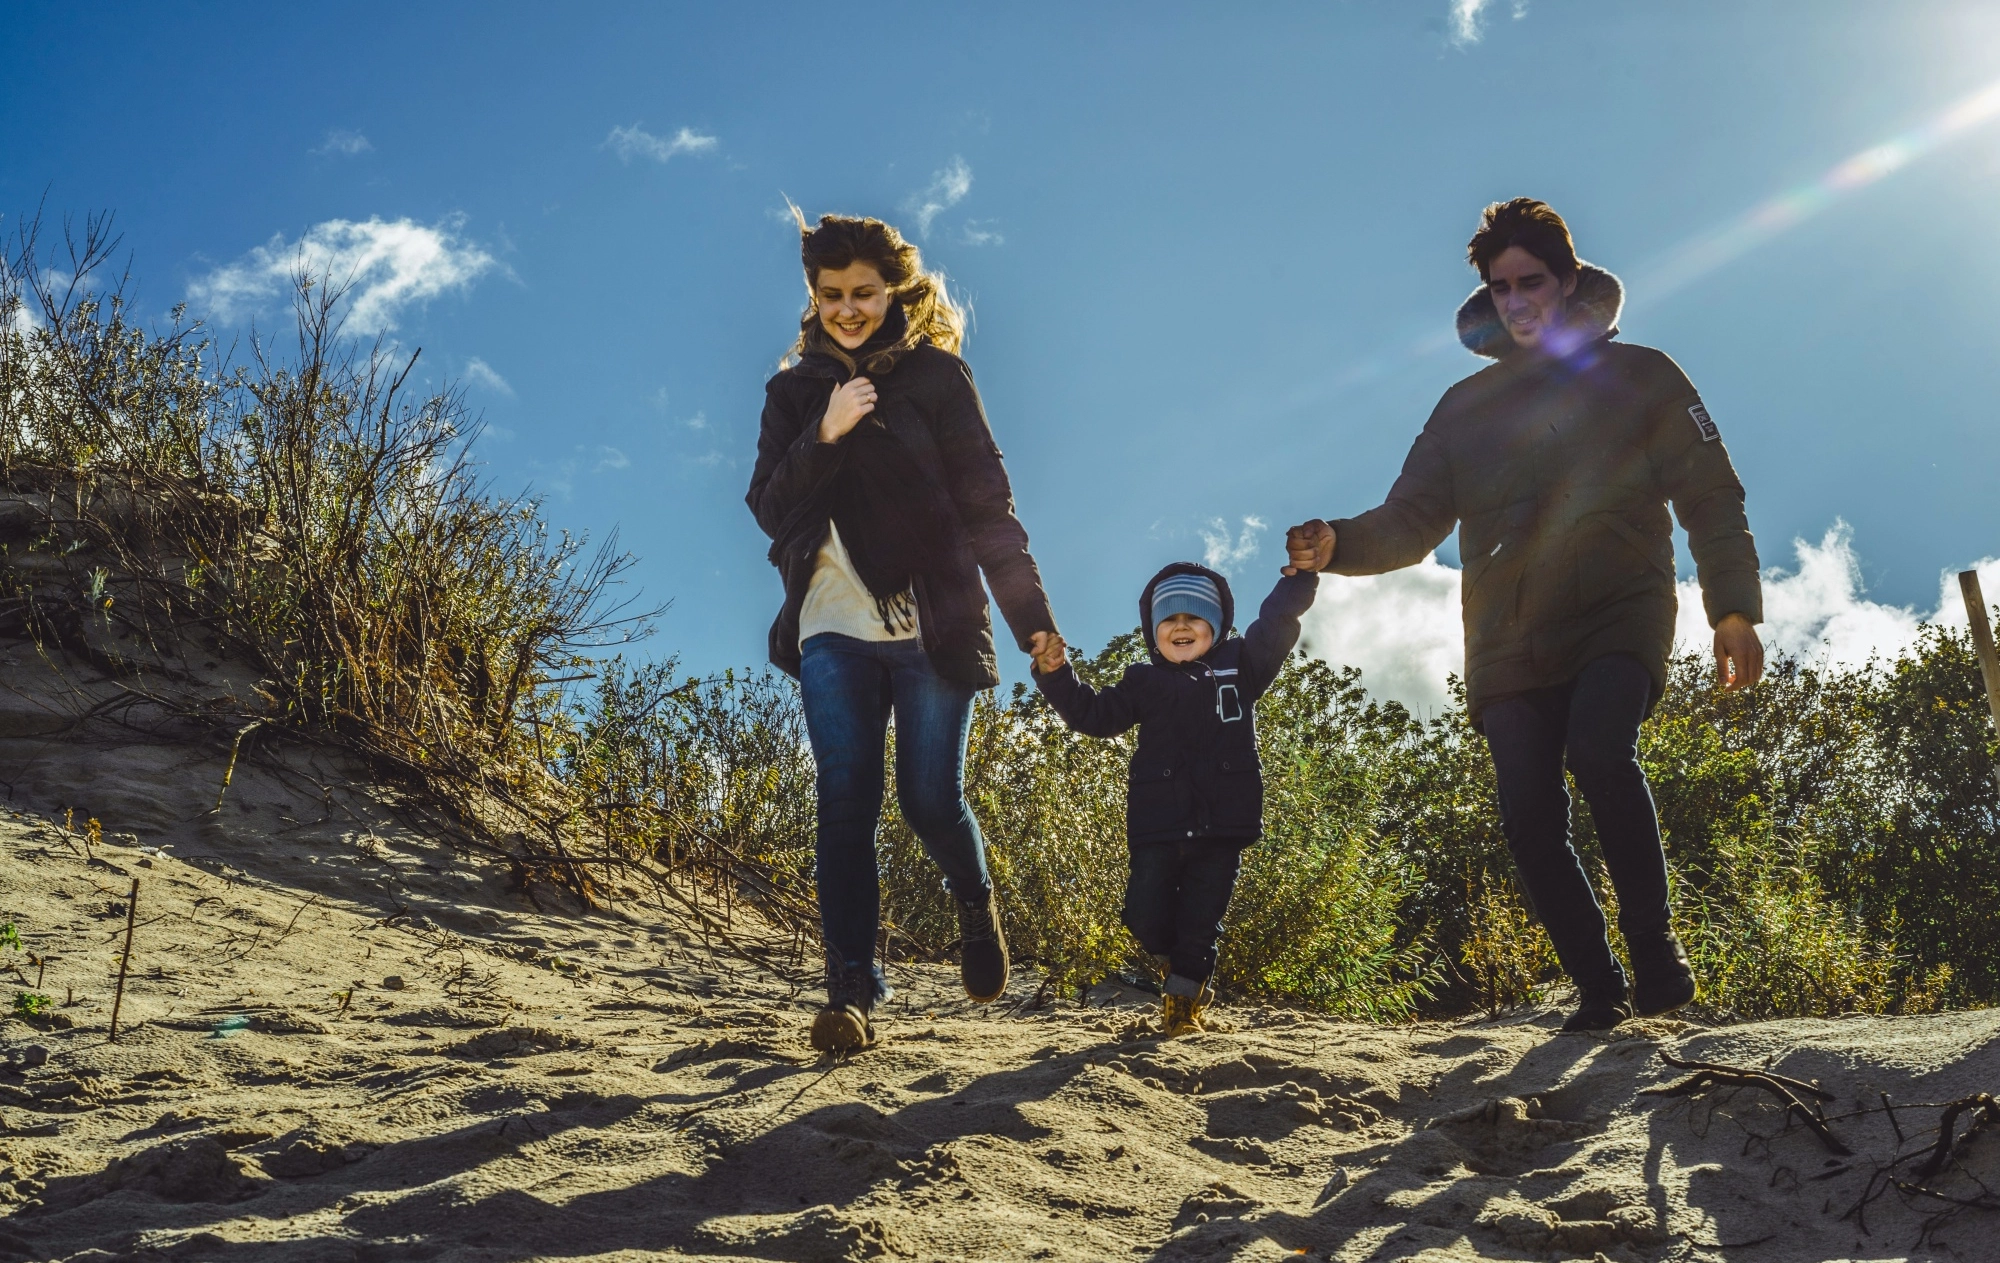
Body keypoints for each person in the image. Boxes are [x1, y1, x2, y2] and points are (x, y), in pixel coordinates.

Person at [1284, 198, 1764, 1032]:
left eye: (1531, 282)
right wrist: (1338, 543)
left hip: (1620, 605)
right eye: (1501, 288)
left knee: (1601, 750)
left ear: (1569, 281)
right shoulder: (1464, 408)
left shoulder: (1644, 376)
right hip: (1506, 636)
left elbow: (1711, 494)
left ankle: (1654, 950)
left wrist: (1733, 609)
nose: (1517, 301)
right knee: (1529, 816)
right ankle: (1598, 985)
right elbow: (1411, 519)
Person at [747, 213, 1059, 1054]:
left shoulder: (938, 379)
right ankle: (851, 991)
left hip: (934, 621)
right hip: (830, 623)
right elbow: (769, 507)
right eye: (832, 295)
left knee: (929, 798)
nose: (848, 309)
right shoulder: (792, 394)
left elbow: (988, 507)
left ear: (893, 291)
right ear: (814, 297)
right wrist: (826, 431)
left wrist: (1032, 622)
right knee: (844, 800)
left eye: (864, 292)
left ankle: (975, 901)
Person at [1026, 561, 1319, 1036]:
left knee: (1200, 922)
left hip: (1223, 826)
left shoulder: (1243, 666)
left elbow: (1278, 622)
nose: (1181, 626)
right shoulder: (1142, 681)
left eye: (1195, 616)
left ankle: (1183, 1006)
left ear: (1217, 625)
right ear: (1153, 631)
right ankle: (1177, 965)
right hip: (1158, 824)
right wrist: (1056, 674)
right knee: (1142, 915)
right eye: (1169, 619)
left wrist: (1299, 579)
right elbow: (1094, 715)